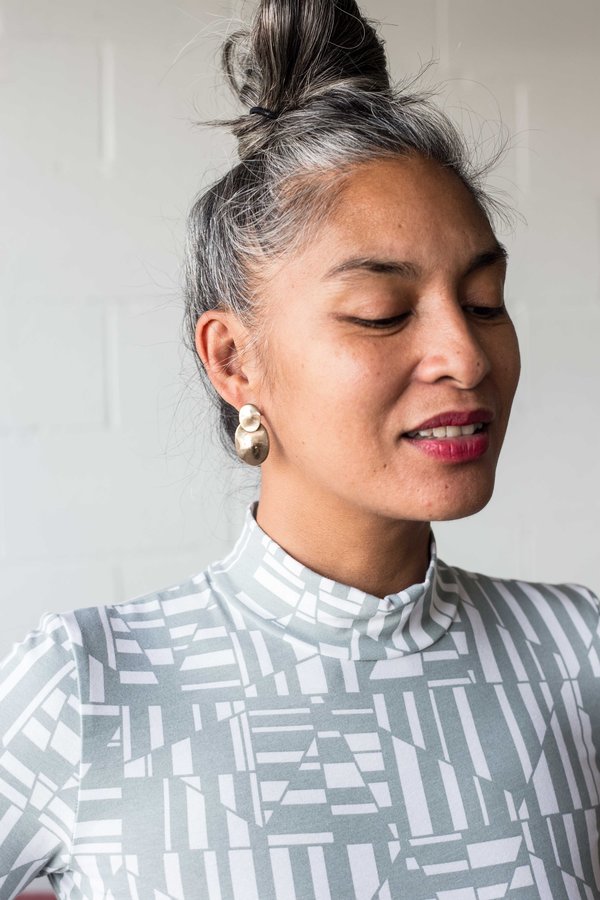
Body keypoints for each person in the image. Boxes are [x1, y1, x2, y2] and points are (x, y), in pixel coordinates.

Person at [1, 0, 599, 897]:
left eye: (484, 302)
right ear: (233, 361)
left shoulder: (577, 654)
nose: (467, 356)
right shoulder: (84, 687)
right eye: (382, 313)